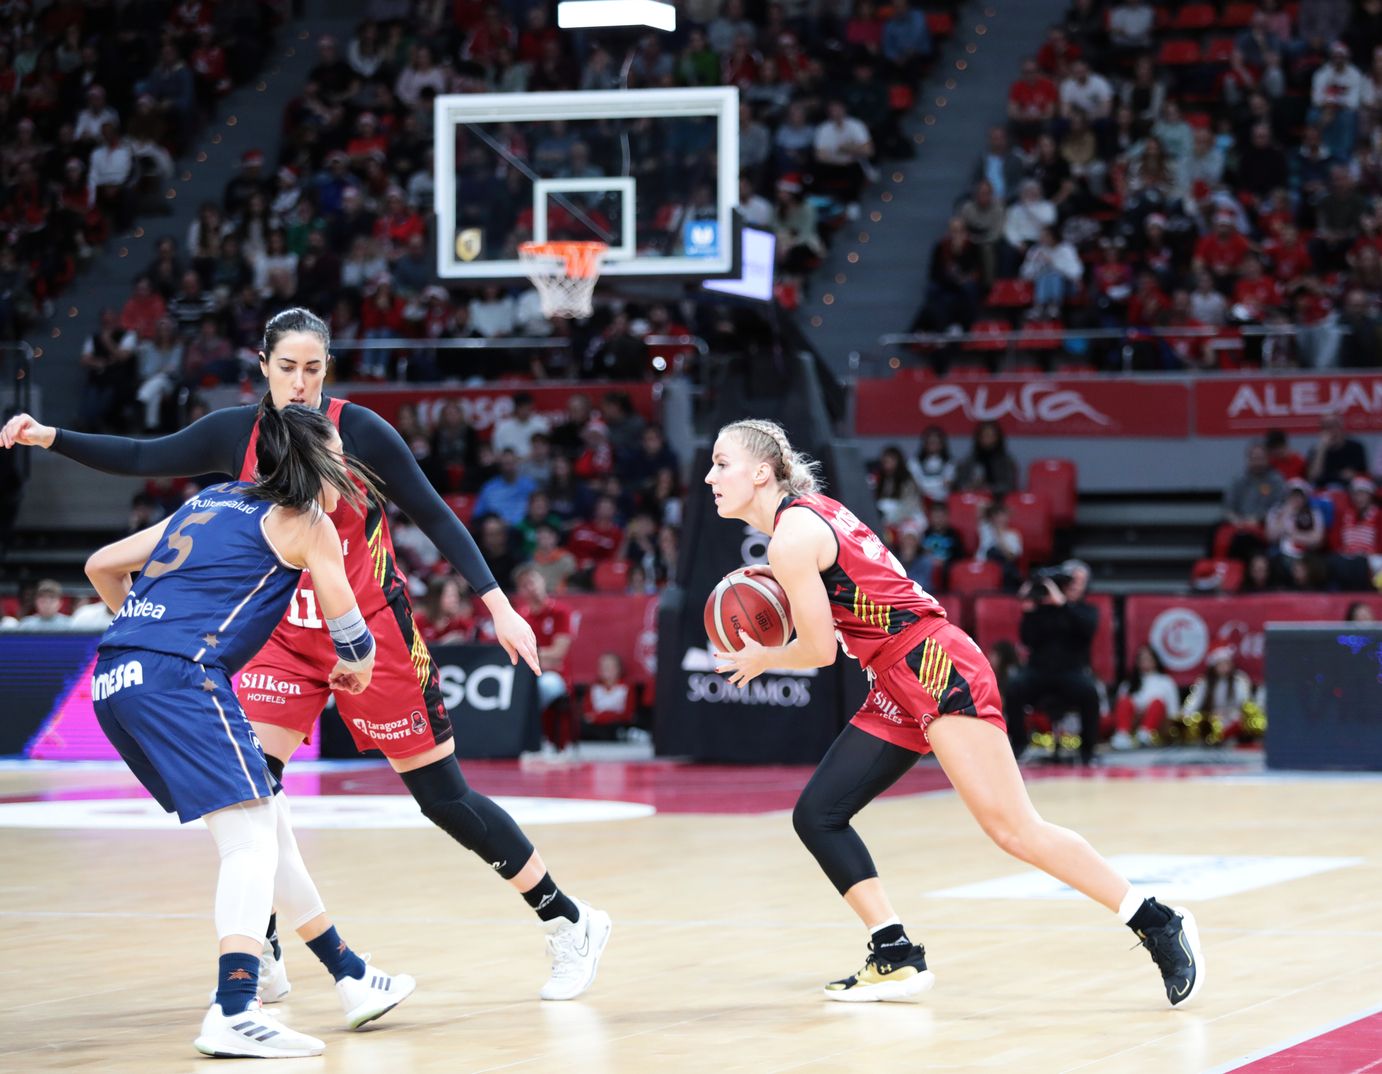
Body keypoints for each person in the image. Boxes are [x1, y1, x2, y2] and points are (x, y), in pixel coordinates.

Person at [0, 307, 611, 1004]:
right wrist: (47, 435)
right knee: (249, 790)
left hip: (371, 631)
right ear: (263, 366)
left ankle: (569, 920)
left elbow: (434, 512)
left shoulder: (360, 432)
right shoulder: (237, 432)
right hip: (286, 637)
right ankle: (261, 948)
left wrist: (496, 601)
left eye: (313, 369)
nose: (300, 382)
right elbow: (145, 456)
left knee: (443, 800)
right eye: (287, 367)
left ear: (327, 371)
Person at [706, 419, 1202, 1008]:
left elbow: (814, 651)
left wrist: (763, 657)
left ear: (761, 472)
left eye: (721, 463)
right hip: (894, 675)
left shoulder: (792, 537)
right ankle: (893, 952)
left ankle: (1155, 920)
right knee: (818, 814)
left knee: (1014, 830)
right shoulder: (809, 512)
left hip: (931, 664)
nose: (710, 476)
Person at [82, 402, 412, 1057]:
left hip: (115, 678)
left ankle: (351, 977)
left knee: (269, 823)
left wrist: (149, 636)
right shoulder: (307, 521)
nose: (344, 463)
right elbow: (354, 637)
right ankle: (233, 1008)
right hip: (179, 678)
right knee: (250, 844)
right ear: (315, 461)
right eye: (337, 452)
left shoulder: (211, 500)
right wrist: (357, 667)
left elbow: (101, 565)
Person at [1004, 561, 1102, 765]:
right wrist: (1028, 609)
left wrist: (1063, 604)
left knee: (1090, 693)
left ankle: (1088, 751)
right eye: (1071, 579)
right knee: (1014, 688)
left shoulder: (1086, 610)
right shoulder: (1043, 609)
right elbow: (1027, 639)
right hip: (1038, 671)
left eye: (1079, 581)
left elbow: (1086, 630)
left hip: (1071, 671)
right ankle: (1020, 746)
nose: (1074, 584)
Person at [1108, 645, 1180, 750]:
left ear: (1155, 660)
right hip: (1133, 721)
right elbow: (1121, 709)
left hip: (1157, 723)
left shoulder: (1166, 681)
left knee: (1157, 702)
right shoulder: (1128, 683)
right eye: (1142, 659)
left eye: (1148, 658)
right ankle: (1122, 735)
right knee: (1124, 701)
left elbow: (1173, 711)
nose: (1145, 662)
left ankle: (1145, 735)